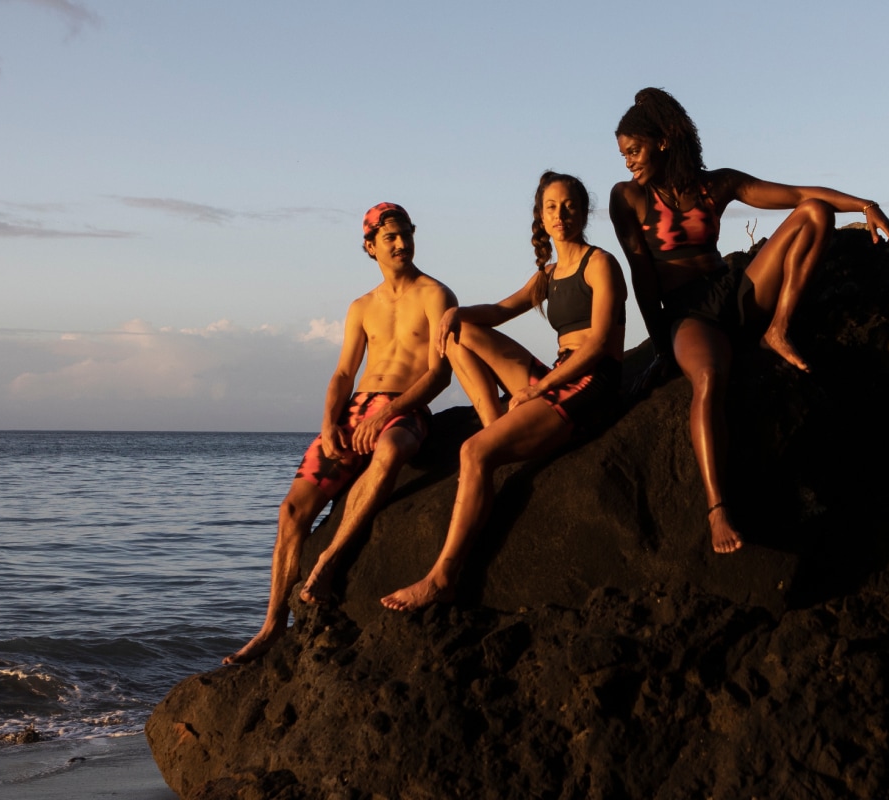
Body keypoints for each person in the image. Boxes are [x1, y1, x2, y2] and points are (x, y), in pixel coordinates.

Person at [608, 87, 889, 554]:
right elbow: (642, 277)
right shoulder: (627, 197)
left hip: (734, 291)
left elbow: (800, 194)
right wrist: (662, 347)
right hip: (688, 314)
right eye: (623, 154)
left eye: (633, 151)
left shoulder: (716, 184)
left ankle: (777, 329)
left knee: (815, 213)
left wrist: (865, 204)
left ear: (663, 140)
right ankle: (717, 508)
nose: (627, 162)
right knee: (708, 379)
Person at [381, 171, 625, 611]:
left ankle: (440, 579)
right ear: (541, 215)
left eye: (569, 205)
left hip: (592, 381)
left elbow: (600, 343)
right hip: (559, 375)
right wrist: (453, 313)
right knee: (460, 333)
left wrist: (542, 388)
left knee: (474, 452)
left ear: (584, 211)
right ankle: (498, 425)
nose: (560, 214)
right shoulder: (549, 274)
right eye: (551, 207)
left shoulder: (600, 263)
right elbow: (498, 311)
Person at [224, 202, 455, 663]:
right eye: (389, 237)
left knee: (389, 451)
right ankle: (271, 626)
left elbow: (439, 373)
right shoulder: (362, 306)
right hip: (356, 410)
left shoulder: (435, 294)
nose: (400, 243)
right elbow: (343, 375)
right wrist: (330, 423)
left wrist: (387, 411)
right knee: (291, 510)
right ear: (370, 247)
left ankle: (327, 562)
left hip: (404, 407)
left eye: (405, 233)